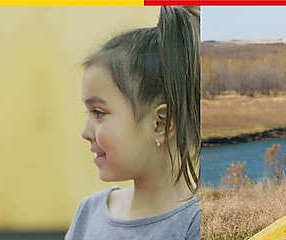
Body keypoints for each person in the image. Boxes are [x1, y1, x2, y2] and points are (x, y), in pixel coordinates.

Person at [65, 6, 201, 240]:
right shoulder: (89, 212)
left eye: (98, 112)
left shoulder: (194, 224)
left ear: (161, 123)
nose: (85, 132)